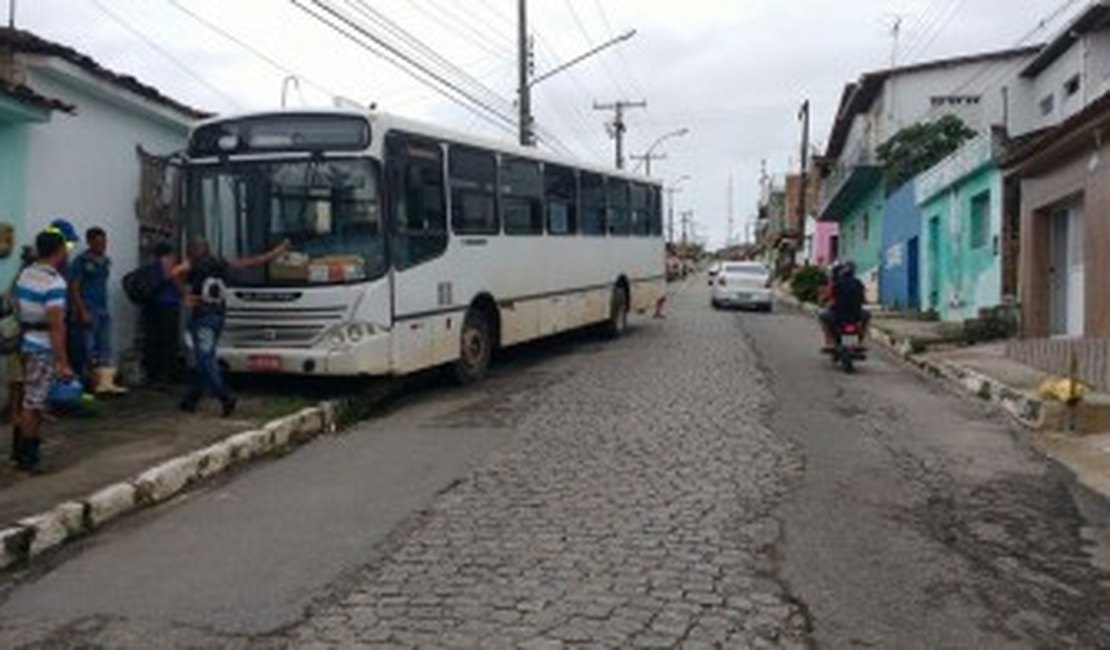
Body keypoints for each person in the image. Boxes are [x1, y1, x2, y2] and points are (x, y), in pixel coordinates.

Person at [173, 238, 288, 416]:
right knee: (204, 359)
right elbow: (249, 262)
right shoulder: (220, 263)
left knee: (205, 361)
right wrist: (275, 252)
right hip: (218, 317)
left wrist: (185, 294)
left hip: (202, 318)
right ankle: (190, 400)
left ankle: (225, 398)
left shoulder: (193, 264)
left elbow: (175, 272)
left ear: (193, 250)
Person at [14, 230, 74, 473]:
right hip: (42, 346)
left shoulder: (26, 274)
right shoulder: (54, 283)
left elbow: (19, 307)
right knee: (34, 402)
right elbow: (56, 326)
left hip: (24, 340)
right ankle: (28, 457)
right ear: (59, 252)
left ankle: (21, 449)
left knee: (29, 396)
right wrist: (63, 362)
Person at [70, 227, 125, 395]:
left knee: (105, 348)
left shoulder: (105, 261)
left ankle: (104, 385)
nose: (103, 246)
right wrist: (82, 310)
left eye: (104, 242)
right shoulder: (81, 261)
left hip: (102, 309)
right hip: (88, 309)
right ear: (90, 242)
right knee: (88, 348)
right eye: (98, 243)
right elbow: (74, 288)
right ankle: (88, 386)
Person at [7, 246, 36, 465]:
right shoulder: (28, 284)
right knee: (24, 398)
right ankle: (21, 451)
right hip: (23, 343)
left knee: (18, 397)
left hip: (15, 343)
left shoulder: (17, 281)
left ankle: (17, 450)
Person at [143, 242, 182, 387]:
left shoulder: (150, 264)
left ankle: (151, 375)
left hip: (151, 305)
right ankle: (165, 376)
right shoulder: (169, 264)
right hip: (168, 305)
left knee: (153, 340)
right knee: (168, 342)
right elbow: (177, 284)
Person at [818, 260, 870, 351]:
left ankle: (829, 341)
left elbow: (827, 297)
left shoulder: (836, 284)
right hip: (856, 316)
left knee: (822, 316)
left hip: (838, 316)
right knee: (867, 315)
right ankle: (861, 340)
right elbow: (864, 300)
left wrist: (823, 300)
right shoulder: (858, 283)